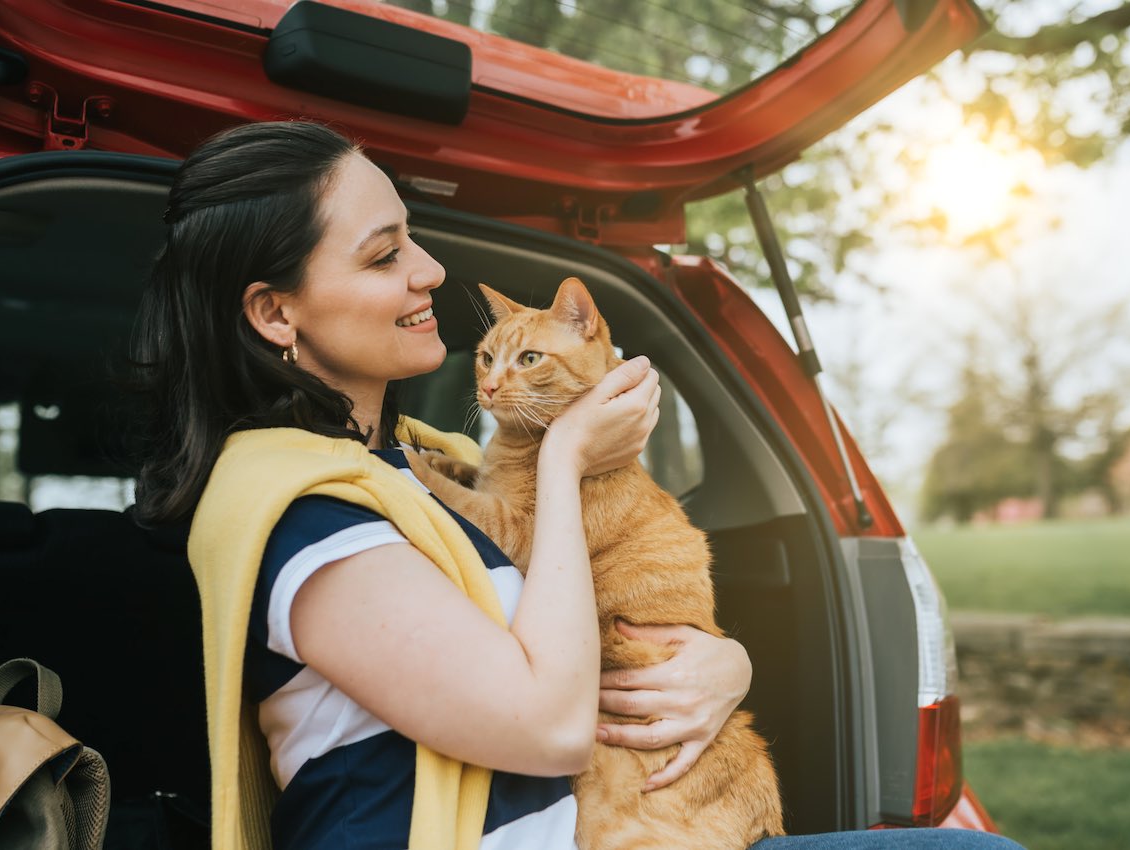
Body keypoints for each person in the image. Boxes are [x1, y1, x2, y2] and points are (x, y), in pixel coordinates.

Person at [133, 120, 1023, 850]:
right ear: (274, 312)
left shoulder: (412, 468)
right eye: (382, 256)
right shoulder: (305, 515)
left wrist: (724, 666)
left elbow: (578, 611)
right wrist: (564, 458)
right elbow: (550, 726)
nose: (429, 270)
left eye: (413, 238)